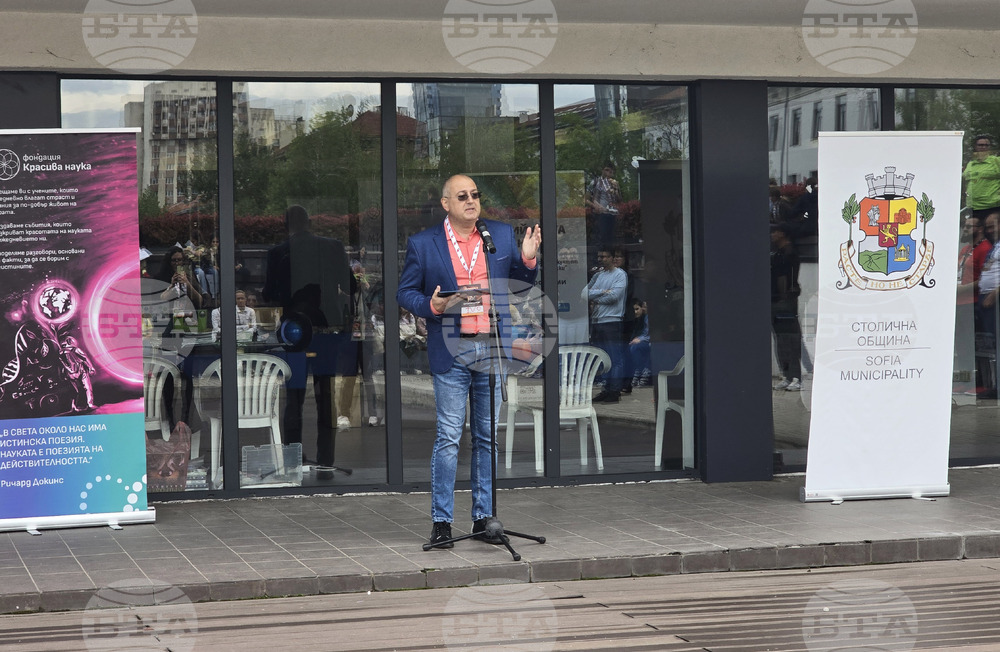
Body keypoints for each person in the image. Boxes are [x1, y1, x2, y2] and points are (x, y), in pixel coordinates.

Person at [397, 174, 540, 549]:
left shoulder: (499, 236)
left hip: (491, 349)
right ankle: (442, 523)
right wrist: (431, 305)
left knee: (487, 438)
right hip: (452, 349)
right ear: (446, 204)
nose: (471, 200)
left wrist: (527, 259)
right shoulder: (424, 243)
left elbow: (521, 283)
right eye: (462, 196)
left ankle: (484, 519)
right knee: (448, 437)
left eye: (475, 194)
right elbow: (405, 292)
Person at [263, 205, 353, 470]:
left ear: (286, 225)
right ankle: (326, 460)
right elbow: (350, 285)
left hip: (294, 331)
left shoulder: (278, 253)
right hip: (326, 328)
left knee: (294, 398)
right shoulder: (332, 246)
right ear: (309, 222)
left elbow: (269, 294)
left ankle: (293, 460)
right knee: (325, 396)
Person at [581, 246, 627, 402]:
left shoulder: (620, 275)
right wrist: (603, 292)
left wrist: (595, 298)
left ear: (613, 258)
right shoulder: (598, 275)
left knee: (615, 358)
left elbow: (614, 297)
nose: (601, 259)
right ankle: (606, 390)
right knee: (602, 358)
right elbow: (583, 294)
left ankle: (614, 391)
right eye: (599, 256)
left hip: (612, 321)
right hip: (597, 321)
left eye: (604, 256)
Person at [771, 224, 802, 391]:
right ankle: (787, 375)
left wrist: (784, 297)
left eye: (775, 232)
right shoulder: (777, 253)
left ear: (783, 234)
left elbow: (786, 278)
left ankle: (796, 377)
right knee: (780, 340)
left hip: (785, 301)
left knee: (789, 338)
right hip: (776, 300)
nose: (772, 235)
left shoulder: (789, 253)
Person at [963, 135, 1000, 219]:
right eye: (980, 145)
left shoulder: (996, 161)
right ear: (975, 147)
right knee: (972, 227)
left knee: (990, 227)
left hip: (991, 207)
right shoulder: (970, 164)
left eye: (986, 145)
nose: (983, 147)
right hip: (972, 207)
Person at [587, 163, 622, 248]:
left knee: (611, 238)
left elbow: (620, 200)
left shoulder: (614, 183)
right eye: (606, 170)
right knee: (601, 238)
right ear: (602, 170)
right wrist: (595, 206)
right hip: (600, 213)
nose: (608, 173)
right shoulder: (595, 182)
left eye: (610, 171)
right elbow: (586, 199)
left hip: (612, 213)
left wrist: (616, 189)